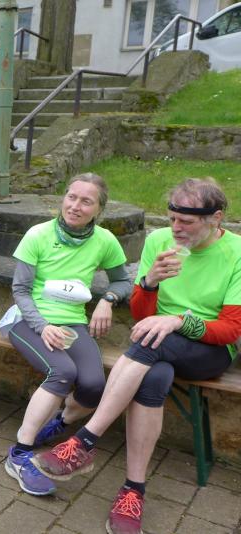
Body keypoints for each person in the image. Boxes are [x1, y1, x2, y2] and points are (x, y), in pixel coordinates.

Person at [33, 178, 241, 534]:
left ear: (216, 218)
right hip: (155, 342)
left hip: (210, 349)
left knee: (150, 343)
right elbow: (143, 315)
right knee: (154, 375)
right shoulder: (159, 241)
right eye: (172, 218)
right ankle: (133, 491)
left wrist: (178, 321)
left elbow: (231, 329)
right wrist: (149, 283)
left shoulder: (236, 251)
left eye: (186, 221)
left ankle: (85, 440)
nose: (176, 228)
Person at [3, 173, 131, 497]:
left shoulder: (104, 240)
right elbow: (20, 290)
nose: (75, 206)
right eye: (71, 197)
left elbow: (122, 280)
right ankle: (20, 454)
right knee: (62, 371)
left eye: (86, 201)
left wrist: (108, 300)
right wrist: (42, 326)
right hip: (28, 320)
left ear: (99, 209)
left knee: (94, 386)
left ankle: (58, 424)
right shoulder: (38, 234)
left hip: (73, 324)